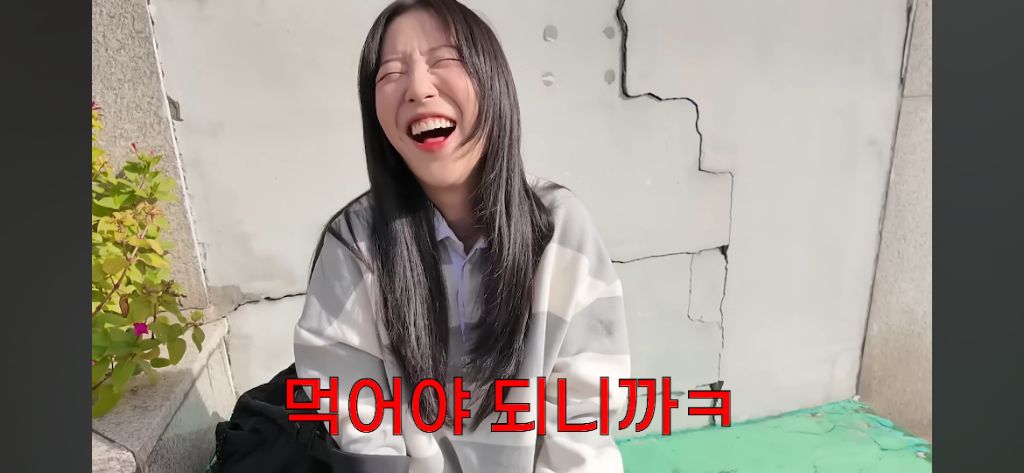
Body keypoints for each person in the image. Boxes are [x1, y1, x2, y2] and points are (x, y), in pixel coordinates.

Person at [293, 1, 630, 471]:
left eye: (444, 60)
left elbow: (583, 423)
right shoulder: (355, 245)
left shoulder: (560, 230)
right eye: (391, 73)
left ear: (492, 81)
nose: (418, 88)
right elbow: (361, 433)